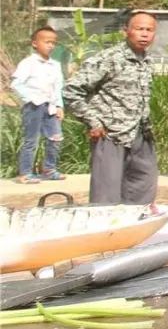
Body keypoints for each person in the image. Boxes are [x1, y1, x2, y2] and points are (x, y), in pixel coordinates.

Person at [66, 11, 159, 204]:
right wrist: (93, 121)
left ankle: (134, 228)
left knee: (143, 186)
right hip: (111, 134)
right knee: (106, 195)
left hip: (140, 134)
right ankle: (106, 231)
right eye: (139, 29)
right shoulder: (109, 58)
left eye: (149, 30)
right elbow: (71, 90)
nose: (144, 34)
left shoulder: (147, 60)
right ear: (126, 31)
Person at [11, 26, 66, 184]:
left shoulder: (55, 65)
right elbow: (16, 84)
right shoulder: (28, 63)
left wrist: (59, 106)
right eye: (47, 42)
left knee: (55, 138)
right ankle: (26, 173)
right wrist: (31, 98)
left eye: (53, 42)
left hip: (51, 106)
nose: (50, 45)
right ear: (35, 43)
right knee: (31, 140)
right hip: (34, 107)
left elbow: (58, 87)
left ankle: (49, 169)